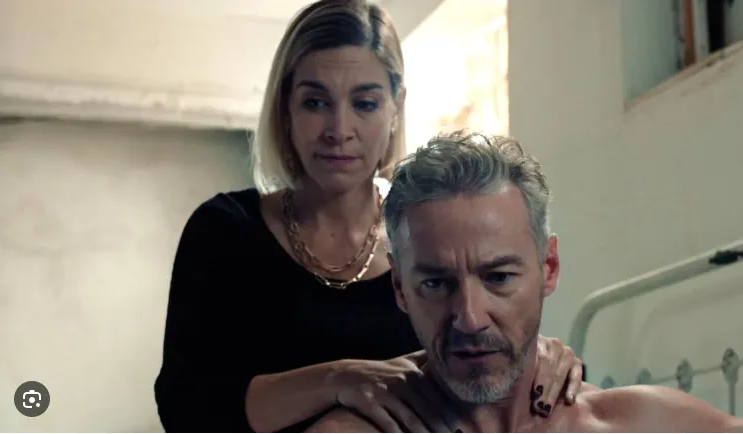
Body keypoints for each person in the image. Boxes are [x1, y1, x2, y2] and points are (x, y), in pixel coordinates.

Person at [153, 1, 585, 433]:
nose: (339, 130)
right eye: (315, 102)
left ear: (396, 107)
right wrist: (338, 380)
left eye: (364, 103)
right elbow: (184, 410)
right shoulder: (226, 231)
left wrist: (541, 359)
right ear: (286, 109)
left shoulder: (422, 236)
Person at [305, 131, 743, 433]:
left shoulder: (638, 424)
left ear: (549, 267)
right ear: (400, 289)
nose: (470, 318)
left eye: (499, 277)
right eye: (437, 284)